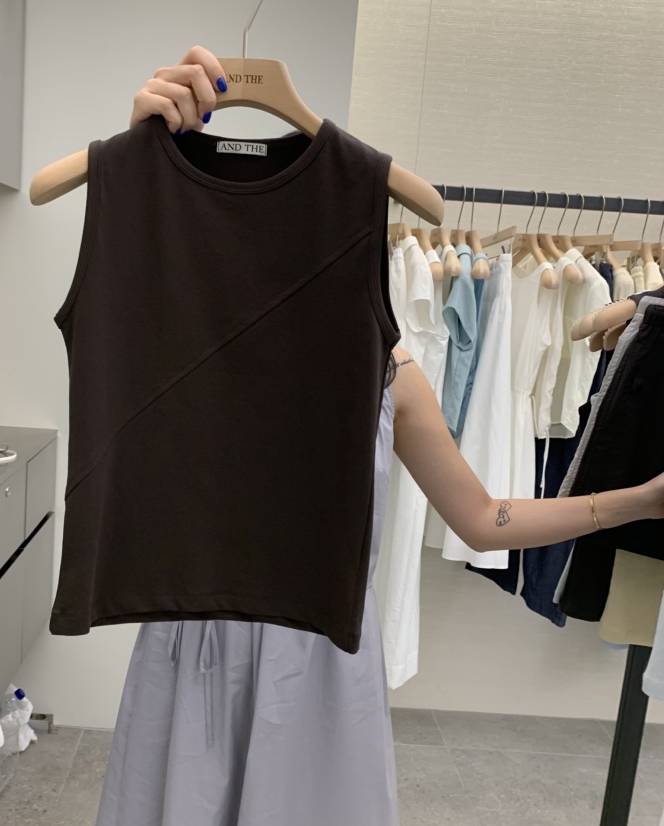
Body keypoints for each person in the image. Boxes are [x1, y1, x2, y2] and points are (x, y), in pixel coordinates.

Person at [94, 46, 664, 826]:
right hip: (193, 646)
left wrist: (638, 502)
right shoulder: (178, 340)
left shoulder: (386, 368)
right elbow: (119, 300)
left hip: (319, 664)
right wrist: (139, 173)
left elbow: (481, 518)